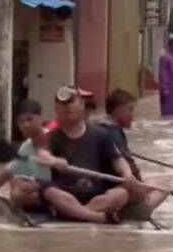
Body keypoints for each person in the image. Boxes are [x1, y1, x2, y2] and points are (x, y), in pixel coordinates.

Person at [37, 85, 141, 224]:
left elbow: (119, 161)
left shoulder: (101, 134)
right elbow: (43, 156)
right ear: (56, 110)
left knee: (121, 194)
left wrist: (127, 175)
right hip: (65, 193)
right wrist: (54, 161)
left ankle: (75, 214)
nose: (68, 107)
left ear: (82, 105)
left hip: (97, 196)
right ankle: (96, 217)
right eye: (62, 105)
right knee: (51, 192)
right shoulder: (49, 137)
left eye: (72, 102)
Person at [0, 100, 51, 213]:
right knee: (15, 182)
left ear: (40, 119)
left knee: (17, 193)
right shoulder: (26, 147)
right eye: (21, 122)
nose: (26, 125)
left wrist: (39, 186)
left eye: (30, 119)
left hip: (57, 190)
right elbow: (9, 171)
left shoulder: (54, 139)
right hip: (40, 189)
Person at [96, 89, 170, 210]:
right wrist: (141, 185)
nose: (133, 116)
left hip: (106, 184)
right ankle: (138, 212)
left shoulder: (100, 127)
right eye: (130, 110)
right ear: (118, 110)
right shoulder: (114, 132)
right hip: (115, 186)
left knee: (153, 182)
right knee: (163, 188)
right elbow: (128, 166)